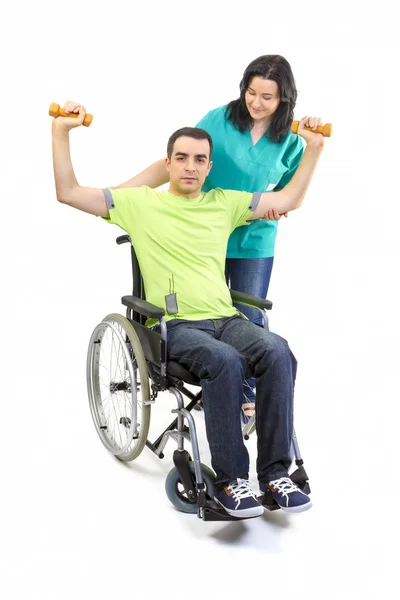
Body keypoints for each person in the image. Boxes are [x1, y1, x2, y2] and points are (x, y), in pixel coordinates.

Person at [52, 101, 324, 518]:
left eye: (200, 159)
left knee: (278, 351)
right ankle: (232, 481)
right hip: (176, 327)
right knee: (225, 361)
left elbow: (289, 198)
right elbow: (68, 193)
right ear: (168, 162)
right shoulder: (139, 203)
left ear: (210, 166)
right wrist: (61, 132)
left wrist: (315, 147)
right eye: (181, 158)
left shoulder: (225, 203)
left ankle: (273, 476)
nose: (190, 167)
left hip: (226, 318)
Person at [116, 55, 309, 424]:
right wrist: (123, 192)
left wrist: (277, 206)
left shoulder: (291, 139)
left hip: (253, 237)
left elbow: (288, 192)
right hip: (203, 232)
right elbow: (175, 162)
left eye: (267, 97)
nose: (256, 102)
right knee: (202, 316)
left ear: (284, 98)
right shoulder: (218, 120)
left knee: (249, 319)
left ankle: (245, 399)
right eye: (251, 92)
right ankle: (220, 384)